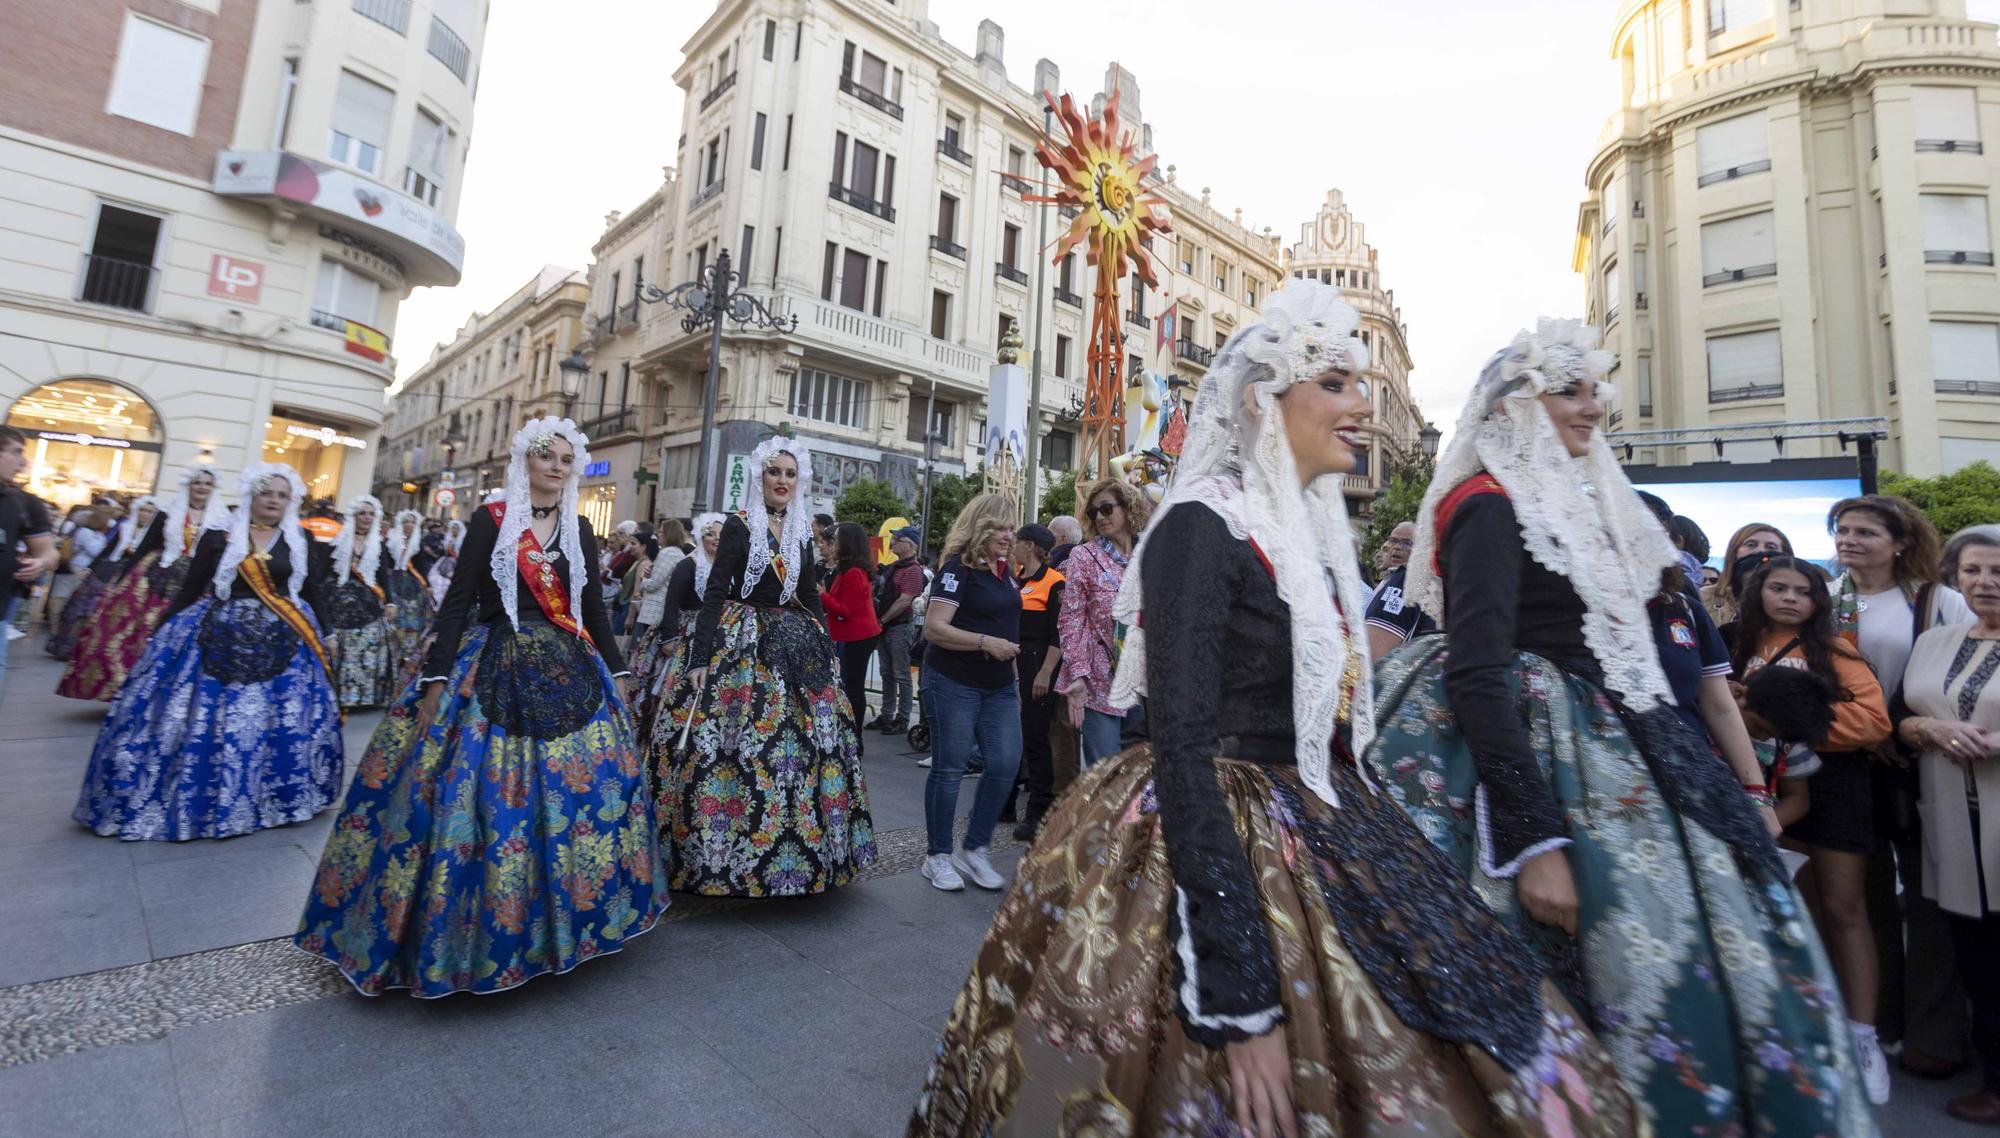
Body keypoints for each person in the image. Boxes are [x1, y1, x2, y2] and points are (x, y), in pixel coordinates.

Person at [911, 283, 1639, 1138]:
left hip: (1321, 814)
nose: (1363, 406)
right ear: (1265, 400)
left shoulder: (1301, 534)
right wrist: (1240, 999)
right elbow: (1181, 747)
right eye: (1335, 383)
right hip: (1210, 823)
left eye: (1361, 384)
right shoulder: (1199, 525)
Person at [1368, 319, 1874, 1134]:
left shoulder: (1558, 501)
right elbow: (1477, 667)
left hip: (1607, 738)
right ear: (1519, 405)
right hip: (1528, 744)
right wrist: (1536, 841)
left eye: (1592, 389)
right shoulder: (1487, 504)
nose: (1592, 408)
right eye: (1570, 391)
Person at [295, 418, 665, 996]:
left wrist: (618, 670)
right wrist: (437, 676)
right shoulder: (491, 520)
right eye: (548, 456)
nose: (558, 467)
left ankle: (578, 916)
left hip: (571, 665)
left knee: (586, 796)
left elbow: (591, 607)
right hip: (494, 661)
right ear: (527, 462)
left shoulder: (579, 530)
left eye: (567, 460)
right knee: (467, 791)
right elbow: (459, 601)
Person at [73, 464, 343, 841]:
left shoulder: (298, 539)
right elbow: (191, 588)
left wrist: (327, 631)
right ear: (252, 494)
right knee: (202, 717)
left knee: (280, 721)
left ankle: (274, 797)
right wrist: (163, 627)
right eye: (268, 493)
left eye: (282, 495)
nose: (274, 501)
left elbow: (312, 589)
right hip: (218, 634)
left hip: (284, 640)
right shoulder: (218, 536)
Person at [656, 437, 876, 896]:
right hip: (742, 643)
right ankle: (727, 855)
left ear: (799, 483)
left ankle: (804, 854)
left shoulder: (799, 531)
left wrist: (826, 648)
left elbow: (811, 594)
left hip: (797, 641)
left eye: (790, 474)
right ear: (761, 477)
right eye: (775, 472)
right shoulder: (739, 524)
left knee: (806, 748)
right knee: (738, 746)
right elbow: (716, 592)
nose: (782, 480)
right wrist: (700, 657)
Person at [1732, 555, 1895, 1097]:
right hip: (1770, 790)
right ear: (1757, 592)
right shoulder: (1733, 642)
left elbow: (1874, 722)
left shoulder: (1834, 651)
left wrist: (1783, 722)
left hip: (1833, 788)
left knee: (1846, 908)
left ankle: (1863, 1034)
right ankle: (1819, 1022)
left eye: (1803, 592)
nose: (1789, 599)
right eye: (1778, 588)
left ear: (1818, 602)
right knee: (1798, 911)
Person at [1830, 494, 1973, 1082]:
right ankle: (1878, 1022)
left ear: (1901, 542)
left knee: (1930, 898)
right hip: (1844, 765)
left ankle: (1934, 1034)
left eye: (1865, 531)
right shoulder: (1826, 599)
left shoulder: (1940, 601)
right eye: (1843, 530)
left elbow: (1965, 669)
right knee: (1860, 904)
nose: (1850, 540)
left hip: (1920, 762)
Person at [1896, 525, 2000, 1126]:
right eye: (1972, 572)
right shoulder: (1937, 640)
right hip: (1957, 827)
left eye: (1997, 573)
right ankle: (1997, 1079)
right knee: (1980, 957)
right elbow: (1906, 714)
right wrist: (1928, 731)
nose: (1984, 583)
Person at [917, 494, 1023, 892]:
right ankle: (938, 856)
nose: (1009, 535)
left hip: (999, 686)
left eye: (1012, 528)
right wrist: (985, 642)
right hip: (953, 682)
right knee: (950, 767)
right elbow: (934, 628)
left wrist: (1011, 673)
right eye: (1002, 527)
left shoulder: (1004, 570)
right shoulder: (956, 568)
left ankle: (974, 848)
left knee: (1004, 763)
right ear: (981, 526)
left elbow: (1007, 624)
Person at [57, 468, 215, 701]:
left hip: (196, 581)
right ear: (188, 485)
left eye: (207, 484)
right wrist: (122, 580)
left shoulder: (221, 519)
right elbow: (145, 546)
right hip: (157, 577)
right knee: (137, 632)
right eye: (197, 482)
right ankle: (126, 688)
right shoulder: (167, 513)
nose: (202, 487)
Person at [1056, 477, 1149, 767]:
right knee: (1106, 774)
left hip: (1145, 678)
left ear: (1128, 508)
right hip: (1099, 678)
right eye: (1094, 511)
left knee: (1140, 775)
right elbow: (1071, 619)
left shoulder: (1150, 552)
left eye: (1107, 509)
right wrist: (1079, 674)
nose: (1099, 517)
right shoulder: (1083, 556)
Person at [1006, 522, 1063, 841]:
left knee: (1036, 741)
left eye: (1017, 541)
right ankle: (1005, 805)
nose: (1012, 545)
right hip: (1012, 662)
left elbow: (1059, 634)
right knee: (1011, 737)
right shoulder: (1015, 578)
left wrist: (1045, 672)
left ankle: (1038, 812)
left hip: (1037, 665)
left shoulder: (1054, 582)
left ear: (1030, 545)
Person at [320, 494, 398, 710]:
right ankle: (338, 696)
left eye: (371, 514)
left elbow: (383, 576)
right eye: (362, 513)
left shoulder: (378, 545)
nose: (366, 517)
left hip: (368, 607)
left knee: (367, 650)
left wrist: (390, 602)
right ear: (353, 515)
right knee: (341, 650)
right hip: (337, 606)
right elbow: (322, 573)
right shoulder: (337, 539)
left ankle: (363, 697)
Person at [0, 427, 58, 705]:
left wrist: (41, 562)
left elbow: (50, 553)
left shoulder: (24, 502)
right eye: (16, 452)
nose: (23, 462)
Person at [822, 521, 883, 754]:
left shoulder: (855, 573)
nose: (832, 543)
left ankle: (854, 738)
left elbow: (845, 609)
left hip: (858, 636)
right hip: (851, 635)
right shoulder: (847, 569)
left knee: (853, 687)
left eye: (836, 539)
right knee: (849, 685)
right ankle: (850, 735)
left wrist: (822, 595)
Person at [869, 526, 926, 734]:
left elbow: (904, 601)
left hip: (899, 626)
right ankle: (886, 715)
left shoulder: (913, 570)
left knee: (901, 674)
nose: (892, 542)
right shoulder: (896, 566)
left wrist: (881, 620)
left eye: (897, 539)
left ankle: (902, 719)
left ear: (909, 544)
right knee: (887, 673)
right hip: (888, 625)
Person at [44, 505, 121, 658]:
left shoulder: (92, 533)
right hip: (76, 570)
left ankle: (61, 641)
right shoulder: (87, 533)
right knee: (64, 604)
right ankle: (57, 639)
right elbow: (96, 550)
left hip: (78, 570)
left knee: (71, 607)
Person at [1363, 520, 1437, 658]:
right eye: (1393, 541)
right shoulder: (1390, 578)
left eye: (1407, 543)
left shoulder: (1404, 580)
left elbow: (1374, 655)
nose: (1397, 547)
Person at [1702, 523, 1792, 629]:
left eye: (1770, 547)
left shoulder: (1796, 598)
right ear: (1734, 551)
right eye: (1751, 544)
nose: (1760, 550)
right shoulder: (1704, 597)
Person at [382, 509, 435, 670]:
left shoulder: (419, 543)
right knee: (394, 618)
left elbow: (423, 566)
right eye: (406, 521)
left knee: (413, 619)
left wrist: (428, 584)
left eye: (412, 522)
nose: (409, 525)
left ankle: (409, 654)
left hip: (413, 587)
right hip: (393, 583)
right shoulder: (390, 540)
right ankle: (392, 651)